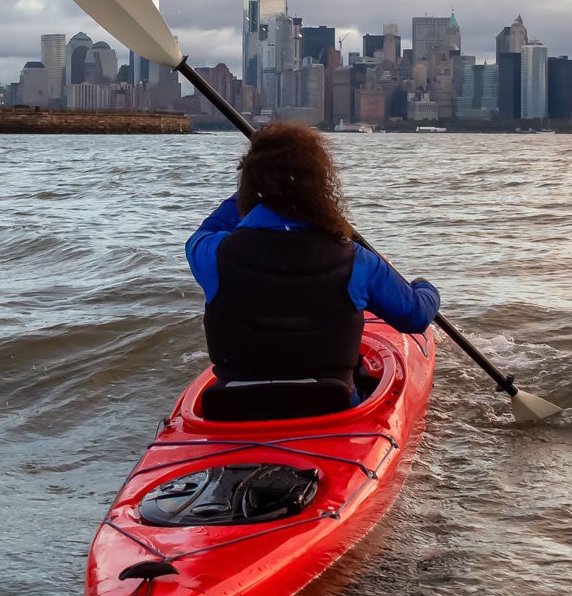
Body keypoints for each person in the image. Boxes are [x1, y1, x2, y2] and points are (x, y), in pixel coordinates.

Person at [186, 122, 441, 405]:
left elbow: (203, 232)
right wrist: (424, 287)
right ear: (319, 185)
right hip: (329, 406)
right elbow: (415, 317)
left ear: (250, 183)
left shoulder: (213, 254)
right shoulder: (356, 260)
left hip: (233, 407)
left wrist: (258, 187)